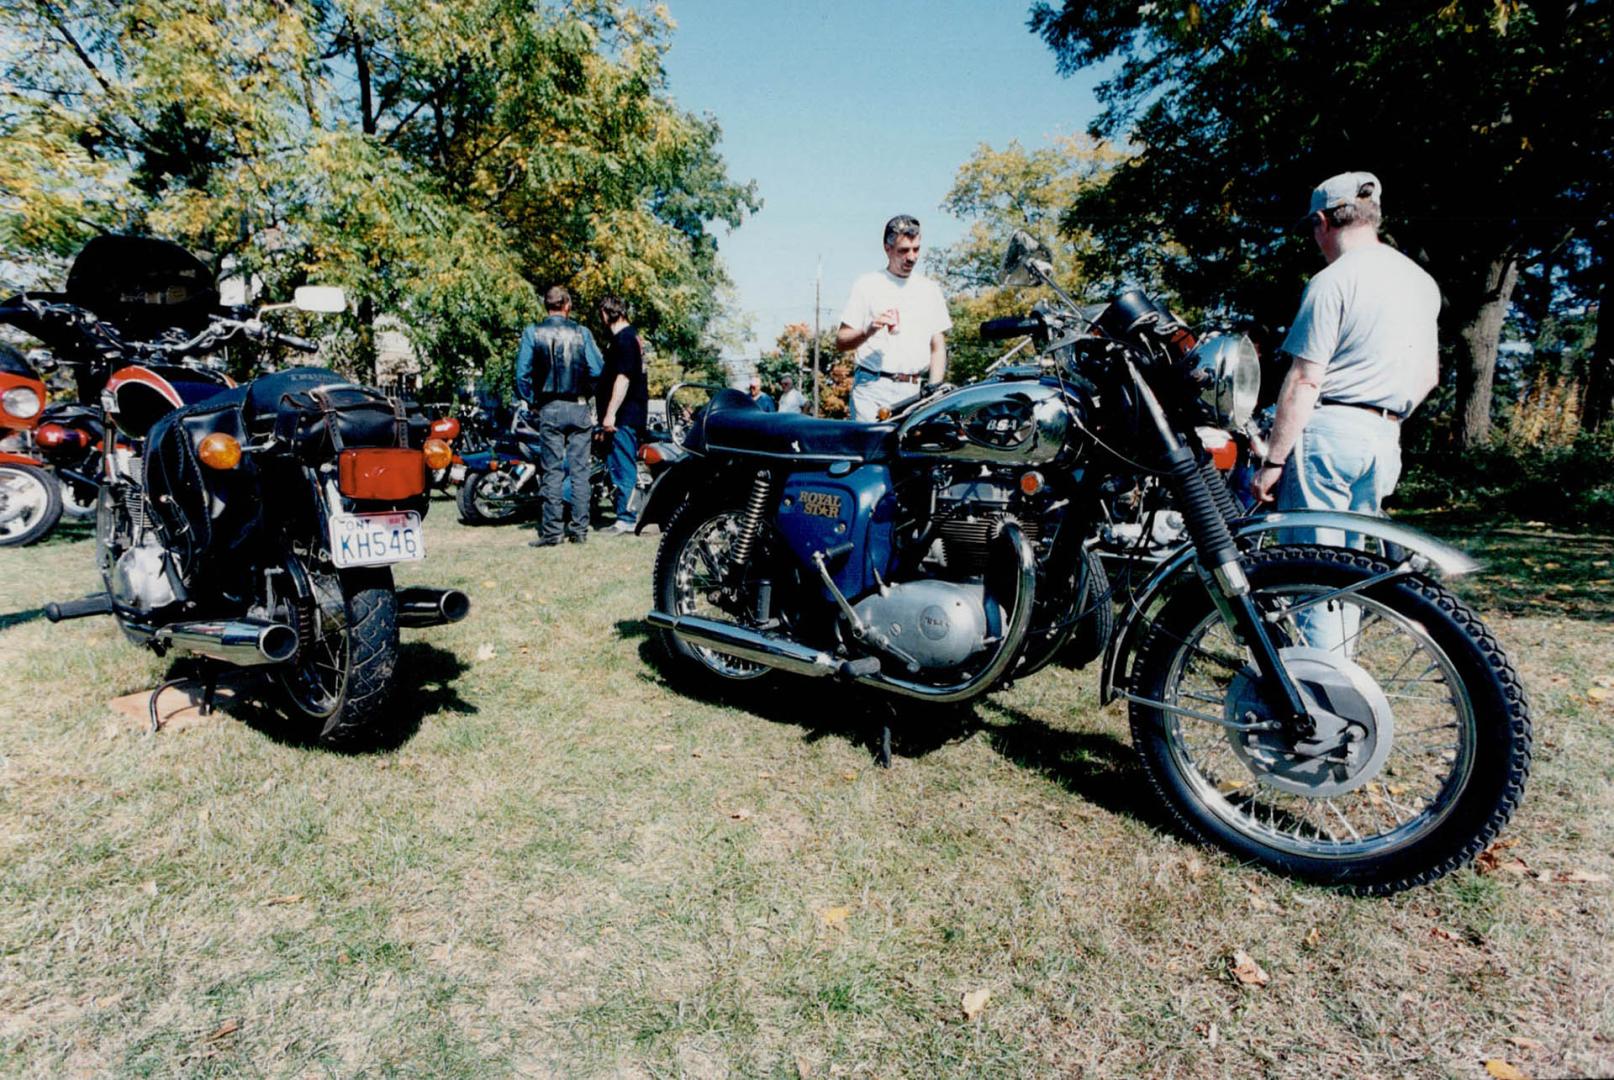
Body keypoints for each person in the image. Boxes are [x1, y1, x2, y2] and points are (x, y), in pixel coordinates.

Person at [1252, 171, 1440, 648]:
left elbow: (1306, 378)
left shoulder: (1332, 281)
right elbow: (1428, 377)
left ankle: (1319, 691)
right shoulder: (1421, 283)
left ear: (1322, 222)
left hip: (1329, 432)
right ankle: (1341, 671)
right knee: (1349, 570)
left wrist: (1273, 460)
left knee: (1312, 570)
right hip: (1385, 437)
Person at [834, 214, 952, 421]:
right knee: (871, 451)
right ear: (887, 249)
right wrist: (868, 330)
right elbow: (841, 341)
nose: (912, 257)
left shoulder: (930, 290)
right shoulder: (867, 285)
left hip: (915, 393)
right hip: (872, 387)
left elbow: (938, 346)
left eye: (916, 249)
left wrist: (934, 388)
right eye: (903, 251)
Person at [515, 285, 603, 547]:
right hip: (578, 406)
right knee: (580, 471)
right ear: (568, 305)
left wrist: (532, 401)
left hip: (549, 407)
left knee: (552, 471)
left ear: (547, 306)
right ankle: (579, 530)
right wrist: (586, 392)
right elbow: (598, 370)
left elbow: (522, 374)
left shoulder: (533, 333)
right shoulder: (582, 333)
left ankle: (552, 532)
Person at [596, 296, 649, 535]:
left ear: (607, 314)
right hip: (630, 414)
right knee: (620, 464)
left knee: (622, 465)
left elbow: (623, 378)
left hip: (624, 416)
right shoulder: (633, 338)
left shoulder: (624, 339)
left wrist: (610, 414)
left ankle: (626, 519)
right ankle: (627, 515)